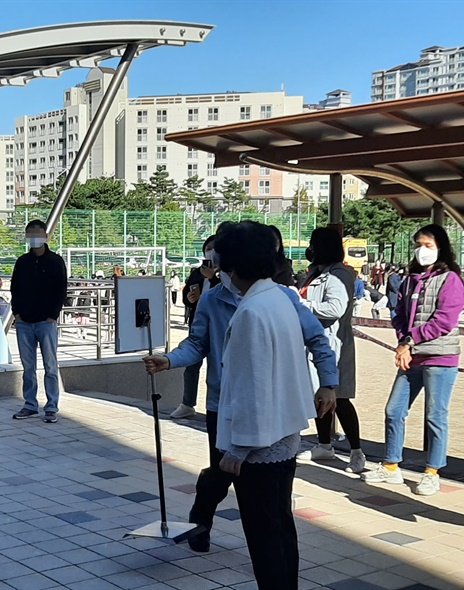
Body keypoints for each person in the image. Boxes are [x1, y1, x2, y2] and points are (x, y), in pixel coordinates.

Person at [144, 223, 338, 554]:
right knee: (223, 475)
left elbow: (316, 340)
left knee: (263, 498)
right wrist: (171, 360)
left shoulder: (276, 298)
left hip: (267, 409)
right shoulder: (212, 299)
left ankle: (246, 541)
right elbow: (197, 342)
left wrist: (329, 383)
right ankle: (201, 520)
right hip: (224, 405)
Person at [213, 221, 336, 590]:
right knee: (281, 526)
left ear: (233, 264)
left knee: (264, 535)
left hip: (260, 443)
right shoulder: (281, 298)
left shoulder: (252, 311)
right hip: (285, 433)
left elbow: (252, 385)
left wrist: (238, 447)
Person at [363, 225, 464, 497]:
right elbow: (399, 312)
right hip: (411, 355)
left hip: (440, 357)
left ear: (441, 247)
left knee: (435, 415)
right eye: (419, 244)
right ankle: (391, 465)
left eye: (429, 245)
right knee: (394, 410)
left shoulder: (451, 279)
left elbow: (444, 321)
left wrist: (410, 341)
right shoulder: (410, 278)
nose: (423, 250)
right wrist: (403, 342)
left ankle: (432, 472)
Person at [296, 227, 365, 473]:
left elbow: (335, 308)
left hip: (333, 342)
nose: (309, 250)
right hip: (312, 342)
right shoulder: (315, 273)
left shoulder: (340, 275)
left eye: (313, 244)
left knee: (340, 397)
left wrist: (302, 304)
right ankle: (324, 445)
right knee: (318, 395)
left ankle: (357, 451)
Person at [10, 219, 68, 424]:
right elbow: (14, 289)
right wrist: (16, 314)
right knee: (28, 367)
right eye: (30, 234)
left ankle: (51, 406)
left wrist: (53, 314)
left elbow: (61, 289)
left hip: (46, 322)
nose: (34, 238)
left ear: (45, 236)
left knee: (50, 366)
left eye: (38, 234)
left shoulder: (55, 261)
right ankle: (30, 404)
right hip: (24, 322)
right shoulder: (22, 262)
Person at [171, 237, 221, 419]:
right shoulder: (197, 273)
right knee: (191, 367)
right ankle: (187, 403)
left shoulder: (227, 275)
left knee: (216, 370)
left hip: (218, 329)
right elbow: (186, 296)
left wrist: (213, 278)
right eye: (208, 248)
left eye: (214, 248)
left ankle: (214, 408)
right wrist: (189, 299)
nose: (211, 251)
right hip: (198, 327)